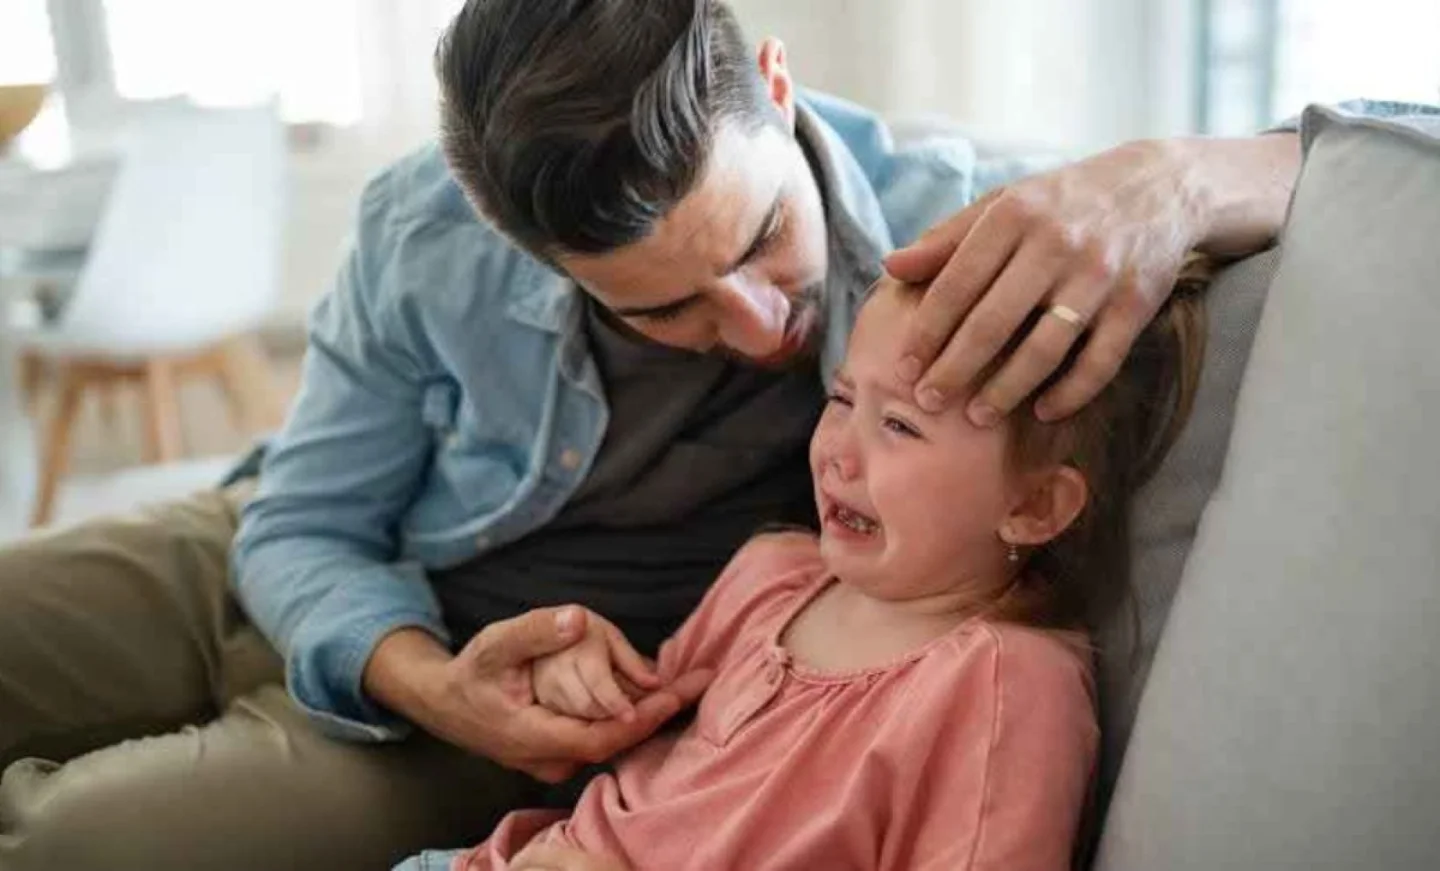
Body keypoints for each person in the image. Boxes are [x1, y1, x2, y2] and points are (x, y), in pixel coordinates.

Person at [0, 0, 1339, 866]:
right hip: (296, 557)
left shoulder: (963, 227)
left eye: (762, 239)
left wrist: (1181, 173)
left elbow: (1390, 162)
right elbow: (302, 519)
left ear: (773, 80)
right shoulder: (428, 222)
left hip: (495, 715)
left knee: (71, 837)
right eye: (664, 308)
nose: (759, 326)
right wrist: (417, 667)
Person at [397, 266, 1207, 871]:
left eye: (899, 425)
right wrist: (581, 675)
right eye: (843, 400)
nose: (839, 454)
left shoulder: (1004, 686)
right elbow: (639, 739)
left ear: (1034, 507)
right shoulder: (772, 572)